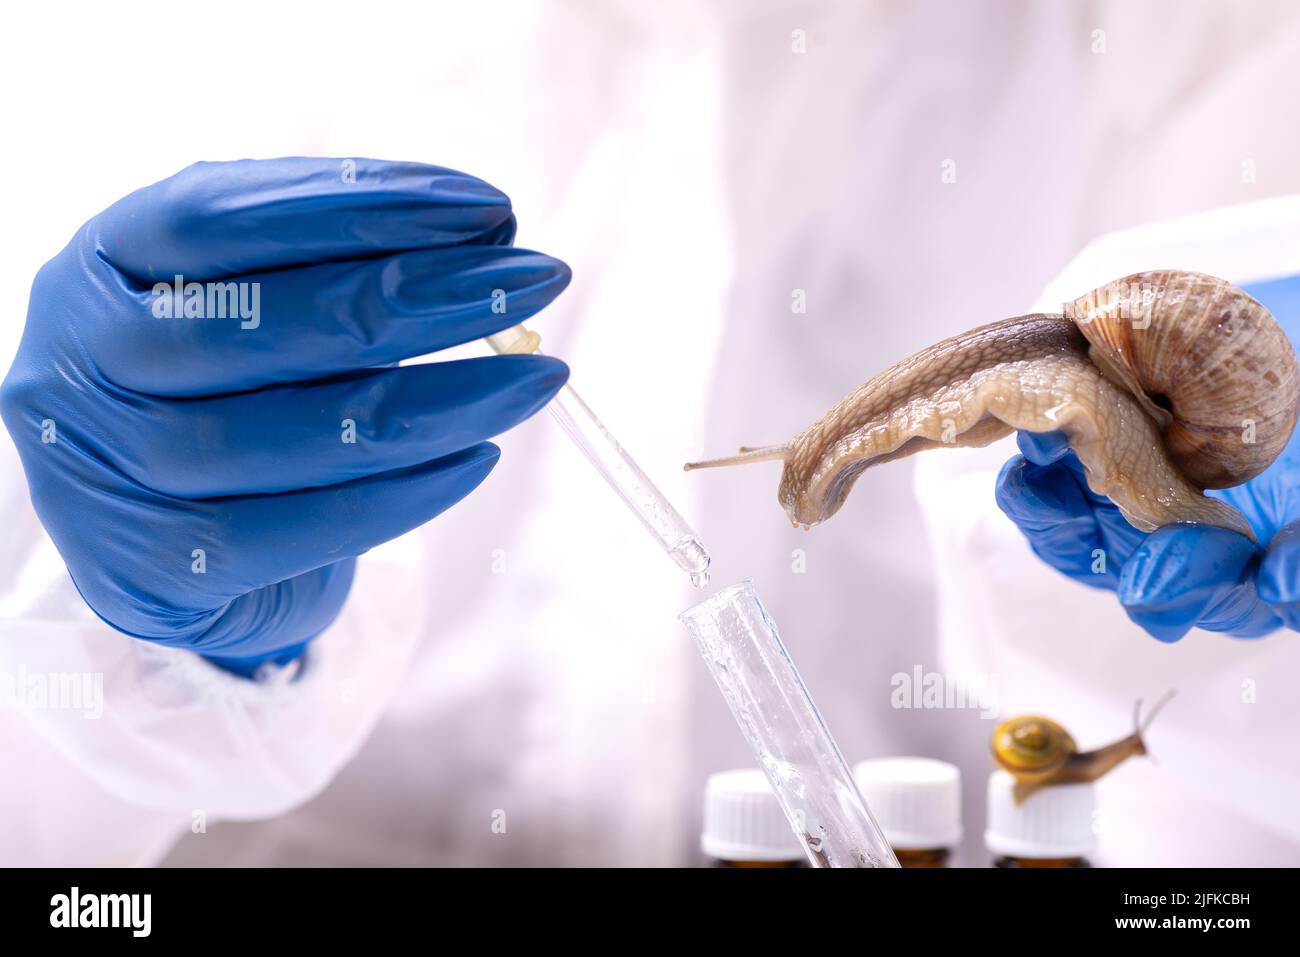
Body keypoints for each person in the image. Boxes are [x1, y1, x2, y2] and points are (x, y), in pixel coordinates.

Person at [4, 1, 1300, 866]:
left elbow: (1202, 805)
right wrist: (167, 610)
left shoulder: (1185, 50)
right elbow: (51, 820)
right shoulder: (236, 45)